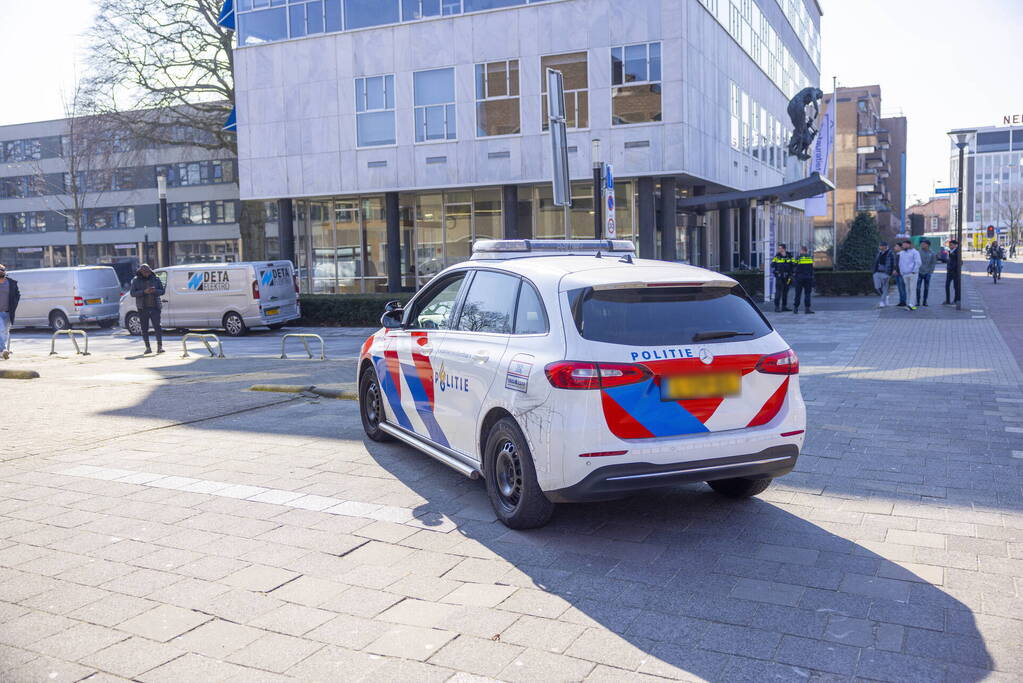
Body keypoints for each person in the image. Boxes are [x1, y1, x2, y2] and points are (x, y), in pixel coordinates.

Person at [129, 264, 165, 354]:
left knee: (158, 327)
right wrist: (144, 292)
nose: (146, 274)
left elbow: (162, 291)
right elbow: (132, 293)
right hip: (143, 308)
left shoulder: (156, 279)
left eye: (148, 272)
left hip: (155, 307)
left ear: (150, 271)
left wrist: (155, 291)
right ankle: (148, 348)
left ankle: (160, 347)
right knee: (144, 329)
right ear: (140, 272)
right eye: (144, 272)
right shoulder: (136, 280)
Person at [0, 265, 21, 361]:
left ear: (4, 272)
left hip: (8, 312)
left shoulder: (11, 283)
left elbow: (17, 294)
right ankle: (3, 349)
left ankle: (2, 351)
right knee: (1, 330)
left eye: (1, 271)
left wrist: (14, 306)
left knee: (5, 332)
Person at [898, 240, 921, 311]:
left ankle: (911, 304)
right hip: (905, 274)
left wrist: (914, 271)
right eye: (903, 245)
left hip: (912, 274)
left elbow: (918, 262)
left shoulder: (915, 252)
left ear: (909, 245)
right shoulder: (902, 253)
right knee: (908, 289)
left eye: (905, 245)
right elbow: (900, 263)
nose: (903, 246)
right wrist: (901, 272)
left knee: (912, 289)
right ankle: (910, 303)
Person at [792, 246, 815, 314]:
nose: (800, 251)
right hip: (808, 278)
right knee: (807, 294)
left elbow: (794, 265)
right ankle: (807, 309)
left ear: (803, 250)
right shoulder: (809, 258)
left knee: (798, 294)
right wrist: (811, 276)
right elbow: (811, 268)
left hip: (799, 278)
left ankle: (795, 308)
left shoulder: (798, 257)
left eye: (801, 250)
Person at [771, 244, 794, 312]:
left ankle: (784, 306)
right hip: (779, 276)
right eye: (778, 248)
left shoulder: (789, 255)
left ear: (783, 249)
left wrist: (791, 273)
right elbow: (772, 265)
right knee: (778, 292)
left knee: (785, 292)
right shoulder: (777, 256)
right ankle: (777, 307)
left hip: (787, 277)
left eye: (780, 248)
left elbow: (794, 263)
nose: (779, 249)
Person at [873, 242, 895, 307]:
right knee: (877, 287)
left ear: (885, 246)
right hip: (877, 272)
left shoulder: (890, 253)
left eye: (881, 246)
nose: (880, 247)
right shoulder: (879, 253)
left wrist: (890, 274)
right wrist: (874, 271)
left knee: (885, 287)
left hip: (885, 273)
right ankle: (886, 297)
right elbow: (876, 262)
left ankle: (882, 302)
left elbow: (892, 263)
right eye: (880, 246)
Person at [917, 240, 936, 307]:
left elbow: (933, 263)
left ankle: (925, 301)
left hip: (927, 273)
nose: (922, 245)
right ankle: (918, 301)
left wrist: (931, 271)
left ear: (927, 245)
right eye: (921, 244)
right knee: (918, 288)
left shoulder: (932, 253)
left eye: (924, 244)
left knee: (926, 288)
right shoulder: (918, 252)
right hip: (919, 272)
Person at [944, 239, 961, 305]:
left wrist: (955, 268)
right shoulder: (950, 251)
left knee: (955, 287)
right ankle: (947, 300)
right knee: (947, 285)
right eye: (949, 245)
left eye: (951, 245)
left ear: (955, 245)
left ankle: (955, 300)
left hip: (955, 272)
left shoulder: (957, 252)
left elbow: (960, 262)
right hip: (949, 271)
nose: (950, 246)